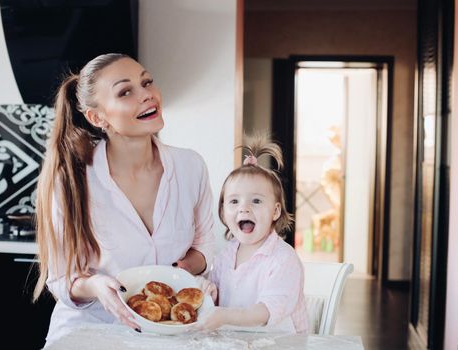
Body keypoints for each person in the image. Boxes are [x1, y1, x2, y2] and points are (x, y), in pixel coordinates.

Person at [33, 53, 214, 345]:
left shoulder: (191, 167)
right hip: (91, 334)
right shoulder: (72, 180)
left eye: (147, 82)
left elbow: (204, 246)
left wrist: (176, 275)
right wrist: (97, 286)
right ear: (97, 117)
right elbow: (61, 279)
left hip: (169, 333)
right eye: (125, 91)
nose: (147, 95)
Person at [197, 136, 308, 333]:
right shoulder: (225, 255)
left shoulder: (283, 259)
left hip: (281, 345)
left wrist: (223, 315)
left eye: (256, 201)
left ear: (275, 211)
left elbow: (265, 311)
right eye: (234, 202)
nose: (244, 209)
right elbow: (218, 300)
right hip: (238, 343)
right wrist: (210, 293)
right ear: (222, 212)